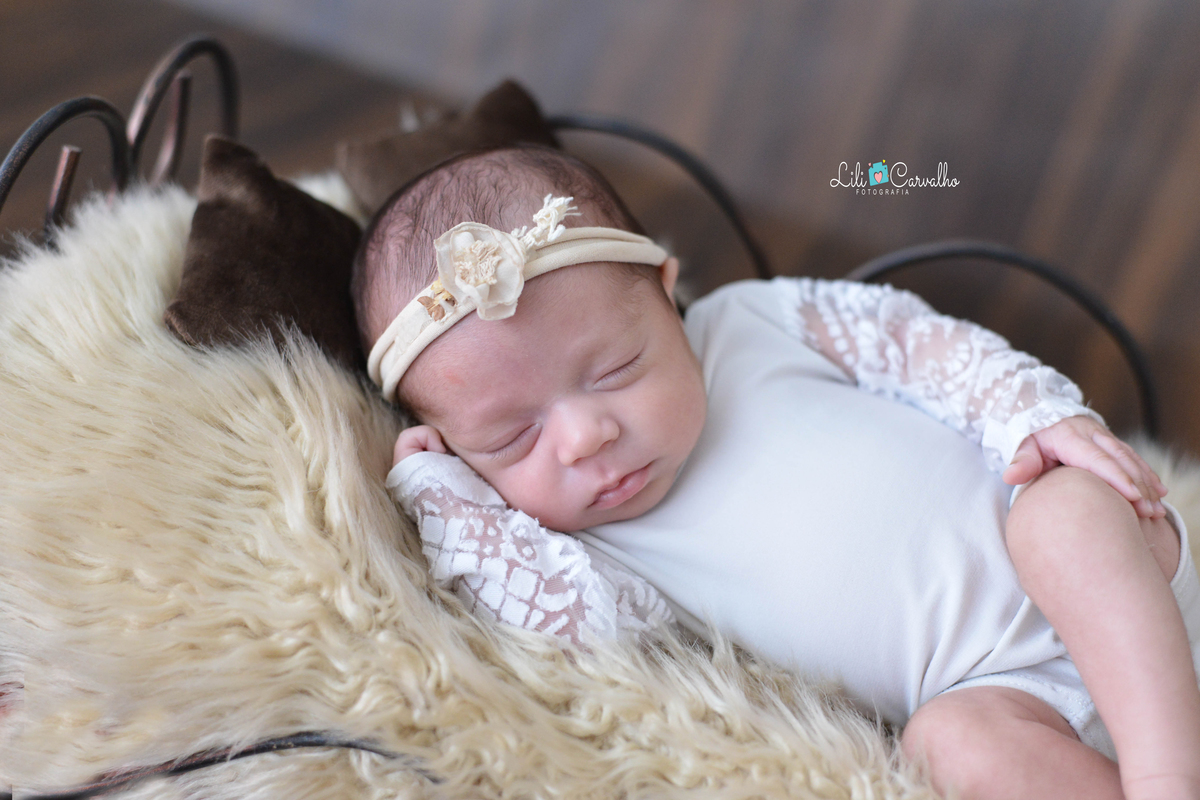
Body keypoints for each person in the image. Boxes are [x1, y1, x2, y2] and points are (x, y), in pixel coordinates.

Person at [352, 145, 1200, 799]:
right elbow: (561, 633)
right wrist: (447, 502)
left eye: (613, 370)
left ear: (665, 291)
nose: (581, 438)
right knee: (947, 747)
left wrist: (1033, 415)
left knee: (1059, 517)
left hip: (1118, 578)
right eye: (509, 439)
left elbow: (912, 342)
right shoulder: (596, 555)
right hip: (1003, 694)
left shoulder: (749, 322)